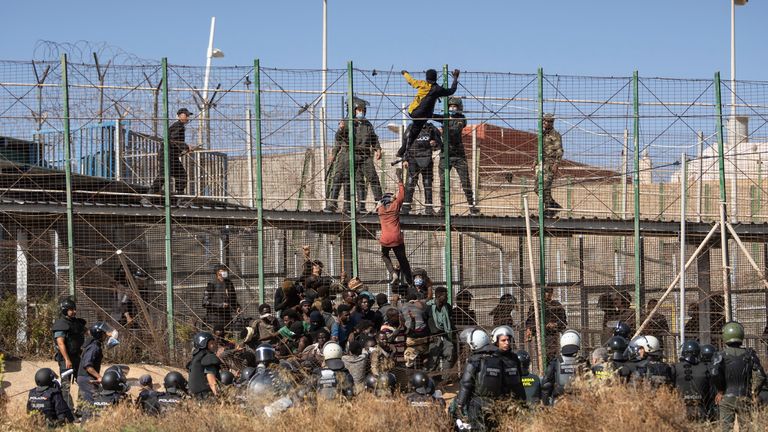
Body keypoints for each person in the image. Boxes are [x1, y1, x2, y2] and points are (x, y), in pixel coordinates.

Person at [324, 98, 383, 213]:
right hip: (348, 154)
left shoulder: (367, 124)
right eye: (358, 110)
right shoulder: (347, 123)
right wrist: (340, 130)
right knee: (339, 177)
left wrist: (378, 149)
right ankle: (332, 204)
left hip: (364, 155)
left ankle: (375, 204)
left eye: (362, 110)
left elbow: (373, 138)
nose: (361, 112)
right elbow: (338, 139)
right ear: (353, 110)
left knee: (372, 178)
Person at [710, 321, 767, 432]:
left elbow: (714, 373)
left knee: (726, 428)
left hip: (726, 396)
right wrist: (754, 393)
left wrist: (720, 390)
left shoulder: (720, 355)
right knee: (746, 428)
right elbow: (761, 375)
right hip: (744, 396)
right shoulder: (749, 355)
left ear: (725, 336)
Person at [433, 96, 479, 215]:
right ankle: (443, 208)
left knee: (465, 182)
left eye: (454, 106)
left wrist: (446, 122)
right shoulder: (444, 117)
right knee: (443, 182)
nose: (452, 108)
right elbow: (432, 116)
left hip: (459, 155)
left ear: (459, 108)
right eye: (450, 106)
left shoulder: (461, 119)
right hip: (445, 154)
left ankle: (472, 206)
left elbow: (454, 131)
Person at [399, 68, 459, 157]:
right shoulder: (438, 89)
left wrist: (404, 73)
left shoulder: (422, 84)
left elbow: (411, 80)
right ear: (436, 78)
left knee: (414, 132)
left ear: (426, 78)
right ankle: (402, 151)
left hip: (413, 112)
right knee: (415, 131)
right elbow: (451, 91)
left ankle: (401, 151)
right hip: (425, 115)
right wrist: (455, 78)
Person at [454, 328, 505, 432]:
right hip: (497, 402)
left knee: (477, 428)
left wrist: (460, 403)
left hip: (477, 402)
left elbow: (466, 383)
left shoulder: (475, 359)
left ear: (475, 344)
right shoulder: (500, 358)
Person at [376, 168, 414, 286]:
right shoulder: (395, 206)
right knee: (403, 261)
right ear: (391, 200)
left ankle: (393, 273)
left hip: (385, 239)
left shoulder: (380, 210)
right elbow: (402, 194)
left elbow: (380, 204)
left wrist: (381, 202)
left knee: (384, 255)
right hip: (396, 238)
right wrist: (399, 178)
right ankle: (410, 282)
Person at [147, 107, 193, 198]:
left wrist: (184, 149)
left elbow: (176, 142)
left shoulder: (179, 126)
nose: (188, 118)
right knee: (164, 175)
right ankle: (149, 195)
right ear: (180, 116)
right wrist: (186, 147)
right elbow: (174, 140)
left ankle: (179, 196)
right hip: (167, 155)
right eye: (186, 115)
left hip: (172, 156)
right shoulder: (178, 126)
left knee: (180, 174)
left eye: (188, 116)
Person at [399, 121, 442, 216]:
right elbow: (405, 144)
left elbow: (439, 144)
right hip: (412, 159)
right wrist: (404, 159)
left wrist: (434, 144)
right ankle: (406, 208)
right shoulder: (411, 128)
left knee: (427, 183)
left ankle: (429, 208)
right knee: (410, 183)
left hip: (427, 159)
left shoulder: (431, 128)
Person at [51, 297, 86, 410]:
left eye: (74, 309)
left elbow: (88, 331)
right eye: (71, 309)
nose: (74, 311)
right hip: (66, 360)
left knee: (83, 381)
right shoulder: (60, 324)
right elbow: (61, 343)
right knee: (65, 385)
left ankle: (82, 409)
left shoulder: (76, 322)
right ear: (65, 310)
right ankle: (68, 411)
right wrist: (67, 359)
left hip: (77, 357)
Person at [541, 329, 586, 405]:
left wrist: (546, 405)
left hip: (559, 401)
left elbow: (546, 385)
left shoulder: (558, 360)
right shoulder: (581, 361)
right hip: (578, 401)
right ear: (577, 343)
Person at [672, 340, 714, 421]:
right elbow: (711, 391)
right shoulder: (705, 368)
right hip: (701, 409)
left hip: (681, 409)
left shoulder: (675, 368)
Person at [77, 322, 116, 403]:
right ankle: (88, 415)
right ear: (99, 334)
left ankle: (81, 415)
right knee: (92, 403)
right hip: (87, 378)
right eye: (104, 333)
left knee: (84, 403)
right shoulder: (94, 347)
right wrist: (99, 377)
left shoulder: (93, 344)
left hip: (84, 377)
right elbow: (88, 366)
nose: (106, 335)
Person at [525, 286, 567, 362]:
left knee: (552, 356)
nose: (548, 294)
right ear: (542, 293)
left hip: (552, 335)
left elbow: (563, 322)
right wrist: (529, 330)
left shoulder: (556, 305)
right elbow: (529, 321)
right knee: (541, 357)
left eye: (550, 292)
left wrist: (555, 324)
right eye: (546, 292)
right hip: (540, 335)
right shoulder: (536, 305)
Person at [536, 113, 563, 217]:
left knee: (545, 187)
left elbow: (559, 150)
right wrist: (535, 160)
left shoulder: (555, 135)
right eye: (543, 121)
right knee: (537, 188)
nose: (544, 123)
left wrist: (556, 163)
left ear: (551, 122)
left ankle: (549, 208)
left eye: (546, 121)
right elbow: (540, 149)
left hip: (550, 164)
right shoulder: (542, 135)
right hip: (541, 163)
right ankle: (553, 206)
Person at [491, 325, 527, 403]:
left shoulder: (514, 358)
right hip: (499, 400)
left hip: (515, 398)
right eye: (503, 340)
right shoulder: (492, 358)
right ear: (496, 342)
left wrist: (523, 399)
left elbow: (519, 379)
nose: (507, 343)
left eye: (508, 340)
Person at [424, 287, 455, 371]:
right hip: (433, 337)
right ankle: (432, 378)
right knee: (433, 357)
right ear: (438, 296)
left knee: (449, 352)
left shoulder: (447, 307)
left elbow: (450, 321)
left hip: (445, 335)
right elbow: (424, 321)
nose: (447, 297)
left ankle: (446, 377)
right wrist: (428, 335)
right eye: (445, 295)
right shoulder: (428, 307)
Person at [203, 264, 240, 331]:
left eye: (225, 270)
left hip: (227, 318)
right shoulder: (212, 284)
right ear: (218, 272)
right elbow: (205, 302)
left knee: (229, 338)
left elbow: (233, 299)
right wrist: (220, 305)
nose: (225, 272)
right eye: (223, 270)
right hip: (214, 318)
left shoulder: (229, 284)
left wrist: (237, 307)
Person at [187, 331, 221, 400]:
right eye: (211, 343)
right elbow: (211, 381)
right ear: (204, 344)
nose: (214, 345)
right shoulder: (208, 357)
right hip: (206, 397)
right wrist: (220, 397)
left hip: (195, 398)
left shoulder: (196, 358)